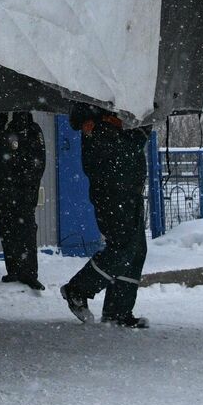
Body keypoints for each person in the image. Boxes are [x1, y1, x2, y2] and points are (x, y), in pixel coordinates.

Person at [60, 104, 153, 328]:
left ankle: (118, 311)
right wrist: (108, 125)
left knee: (136, 250)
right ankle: (78, 289)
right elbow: (81, 119)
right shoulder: (97, 115)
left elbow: (139, 134)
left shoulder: (127, 113)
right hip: (112, 189)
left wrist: (127, 125)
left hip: (129, 188)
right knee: (122, 247)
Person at [0, 111, 47, 289]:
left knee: (26, 231)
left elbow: (39, 162)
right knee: (7, 230)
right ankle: (14, 269)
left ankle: (29, 272)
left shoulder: (31, 129)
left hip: (22, 192)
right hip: (2, 191)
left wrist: (27, 184)